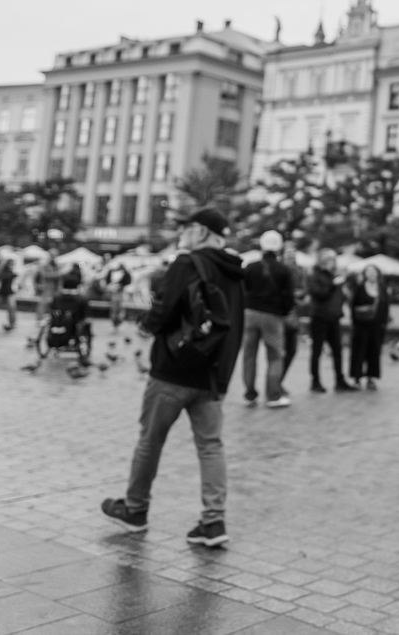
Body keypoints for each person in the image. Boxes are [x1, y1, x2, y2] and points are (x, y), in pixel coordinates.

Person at [100, 207, 245, 547]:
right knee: (211, 446)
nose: (183, 234)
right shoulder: (236, 271)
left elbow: (164, 309)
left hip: (173, 370)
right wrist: (223, 377)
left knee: (150, 440)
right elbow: (235, 327)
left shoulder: (187, 263)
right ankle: (213, 521)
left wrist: (146, 327)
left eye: (187, 228)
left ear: (202, 232)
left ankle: (135, 509)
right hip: (211, 376)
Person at [241, 230, 295, 408]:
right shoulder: (283, 270)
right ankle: (273, 395)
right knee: (275, 356)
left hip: (250, 313)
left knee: (249, 355)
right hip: (272, 314)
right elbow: (289, 297)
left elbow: (243, 289)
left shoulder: (251, 267)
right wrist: (284, 311)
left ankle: (250, 394)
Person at [307, 249, 351, 392]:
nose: (332, 263)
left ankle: (340, 380)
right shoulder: (314, 275)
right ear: (322, 261)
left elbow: (340, 297)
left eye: (333, 260)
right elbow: (319, 294)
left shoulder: (334, 276)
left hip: (334, 318)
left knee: (337, 350)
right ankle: (315, 382)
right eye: (329, 260)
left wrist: (344, 291)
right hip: (319, 317)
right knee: (317, 351)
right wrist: (333, 285)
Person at [349, 264, 391, 389]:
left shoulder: (382, 288)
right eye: (368, 271)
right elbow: (353, 305)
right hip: (361, 325)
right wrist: (355, 322)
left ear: (378, 273)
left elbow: (386, 306)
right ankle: (357, 377)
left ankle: (371, 377)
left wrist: (384, 322)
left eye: (373, 271)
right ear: (365, 274)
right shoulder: (360, 288)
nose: (371, 273)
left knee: (374, 351)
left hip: (377, 325)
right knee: (359, 351)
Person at [280, 241, 306, 386]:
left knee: (292, 350)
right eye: (288, 253)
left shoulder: (299, 271)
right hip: (279, 314)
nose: (290, 256)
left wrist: (298, 295)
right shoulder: (278, 269)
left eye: (292, 253)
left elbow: (304, 289)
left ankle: (279, 381)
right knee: (279, 352)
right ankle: (275, 384)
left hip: (294, 314)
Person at [105, 263, 133, 329]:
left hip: (118, 293)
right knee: (117, 309)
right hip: (117, 293)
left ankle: (117, 323)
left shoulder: (117, 273)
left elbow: (128, 281)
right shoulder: (116, 273)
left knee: (118, 309)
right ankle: (116, 323)